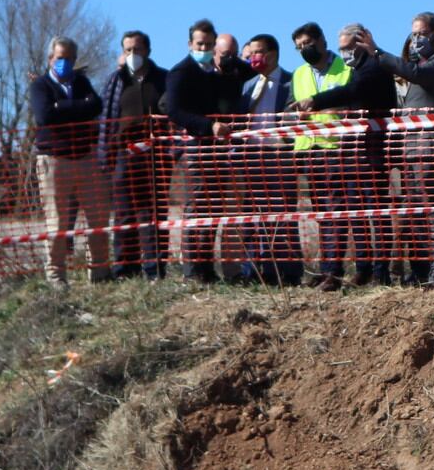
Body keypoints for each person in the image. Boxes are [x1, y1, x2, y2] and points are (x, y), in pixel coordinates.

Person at [290, 21, 395, 289]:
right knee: (357, 212)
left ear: (363, 43)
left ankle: (380, 272)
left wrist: (316, 101)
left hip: (371, 151)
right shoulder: (355, 68)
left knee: (376, 212)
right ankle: (363, 268)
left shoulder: (373, 68)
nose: (345, 53)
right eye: (342, 49)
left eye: (348, 48)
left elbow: (352, 92)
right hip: (350, 151)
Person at [379, 11, 434, 286]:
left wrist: (376, 52)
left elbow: (418, 73)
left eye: (421, 34)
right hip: (414, 150)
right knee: (416, 211)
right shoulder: (423, 63)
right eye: (413, 34)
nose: (416, 40)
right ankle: (419, 271)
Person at [164, 19, 251, 281]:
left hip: (218, 149)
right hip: (195, 146)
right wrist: (208, 125)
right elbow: (174, 110)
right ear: (190, 44)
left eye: (209, 44)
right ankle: (193, 270)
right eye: (200, 43)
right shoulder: (181, 72)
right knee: (198, 207)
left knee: (213, 208)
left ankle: (207, 268)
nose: (204, 47)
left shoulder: (215, 73)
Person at [26, 36, 107, 287]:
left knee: (98, 218)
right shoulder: (40, 85)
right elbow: (44, 115)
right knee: (57, 222)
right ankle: (56, 276)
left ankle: (100, 273)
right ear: (51, 58)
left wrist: (63, 107)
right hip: (54, 160)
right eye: (60, 58)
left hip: (85, 157)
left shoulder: (82, 82)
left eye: (70, 58)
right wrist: (76, 108)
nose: (65, 63)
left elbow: (96, 105)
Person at [233, 33, 304, 287]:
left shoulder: (291, 82)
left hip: (279, 158)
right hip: (251, 159)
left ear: (273, 53)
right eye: (251, 52)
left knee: (282, 215)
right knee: (252, 216)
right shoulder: (248, 86)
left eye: (259, 52)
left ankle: (288, 272)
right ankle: (252, 270)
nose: (254, 57)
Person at [98, 29, 168, 278]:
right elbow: (106, 117)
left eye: (137, 49)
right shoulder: (115, 81)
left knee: (152, 212)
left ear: (147, 51)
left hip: (156, 156)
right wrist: (105, 154)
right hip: (122, 156)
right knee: (124, 212)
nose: (132, 54)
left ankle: (154, 267)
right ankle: (125, 267)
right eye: (128, 50)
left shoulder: (163, 78)